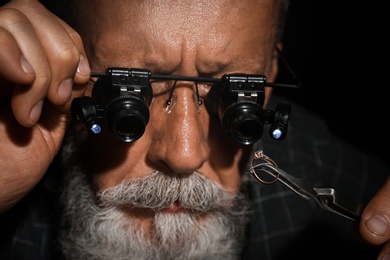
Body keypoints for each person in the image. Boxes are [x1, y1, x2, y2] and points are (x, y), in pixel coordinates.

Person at [0, 0, 389, 259]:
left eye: (234, 91)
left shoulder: (327, 177)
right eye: (132, 91)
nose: (185, 155)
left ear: (269, 76)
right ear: (66, 71)